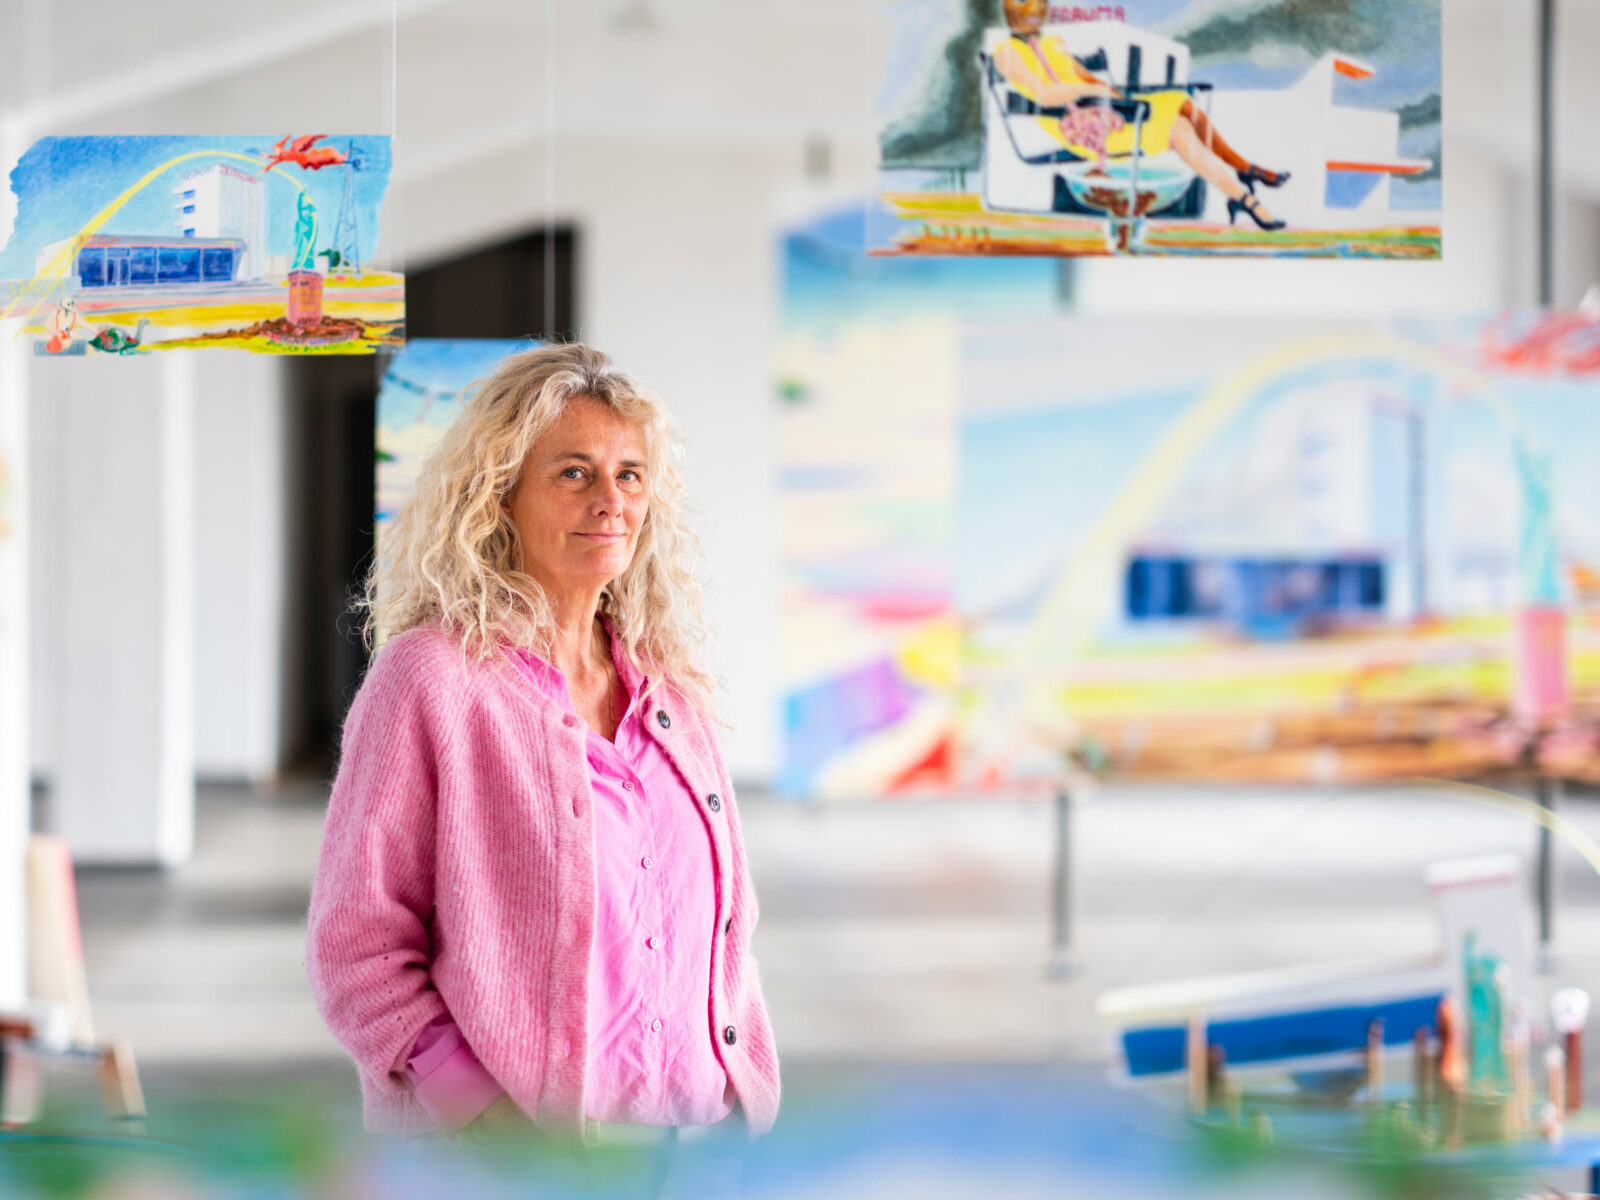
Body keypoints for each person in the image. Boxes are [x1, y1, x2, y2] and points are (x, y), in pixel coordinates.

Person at [306, 344, 780, 1165]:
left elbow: (723, 937)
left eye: (630, 474)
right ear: (500, 493)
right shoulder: (431, 680)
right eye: (573, 472)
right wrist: (485, 1120)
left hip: (698, 1149)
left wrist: (745, 1108)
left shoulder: (670, 693)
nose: (611, 501)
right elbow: (358, 945)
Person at [993, 0, 1290, 230]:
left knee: (1181, 106)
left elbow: (1085, 77)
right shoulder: (1006, 51)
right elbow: (1043, 95)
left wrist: (1113, 96)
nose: (1032, 8)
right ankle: (1245, 185)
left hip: (1102, 111)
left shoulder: (1052, 43)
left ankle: (1243, 189)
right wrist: (1088, 93)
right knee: (1178, 124)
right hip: (1074, 126)